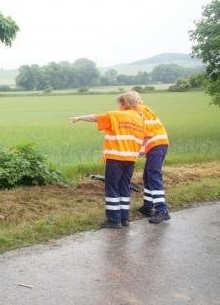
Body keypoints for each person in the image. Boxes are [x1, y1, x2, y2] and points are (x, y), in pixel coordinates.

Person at [71, 93, 145, 228]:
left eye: (119, 103)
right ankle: (124, 219)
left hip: (115, 158)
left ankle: (114, 220)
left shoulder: (116, 115)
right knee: (124, 186)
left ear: (124, 103)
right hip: (130, 159)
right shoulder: (139, 119)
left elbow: (95, 118)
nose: (118, 106)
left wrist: (79, 118)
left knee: (112, 186)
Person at [128, 90, 171, 224]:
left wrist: (139, 150)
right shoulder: (144, 109)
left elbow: (144, 132)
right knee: (148, 176)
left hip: (156, 144)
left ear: (130, 102)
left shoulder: (138, 111)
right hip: (159, 144)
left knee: (153, 175)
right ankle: (147, 207)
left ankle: (162, 210)